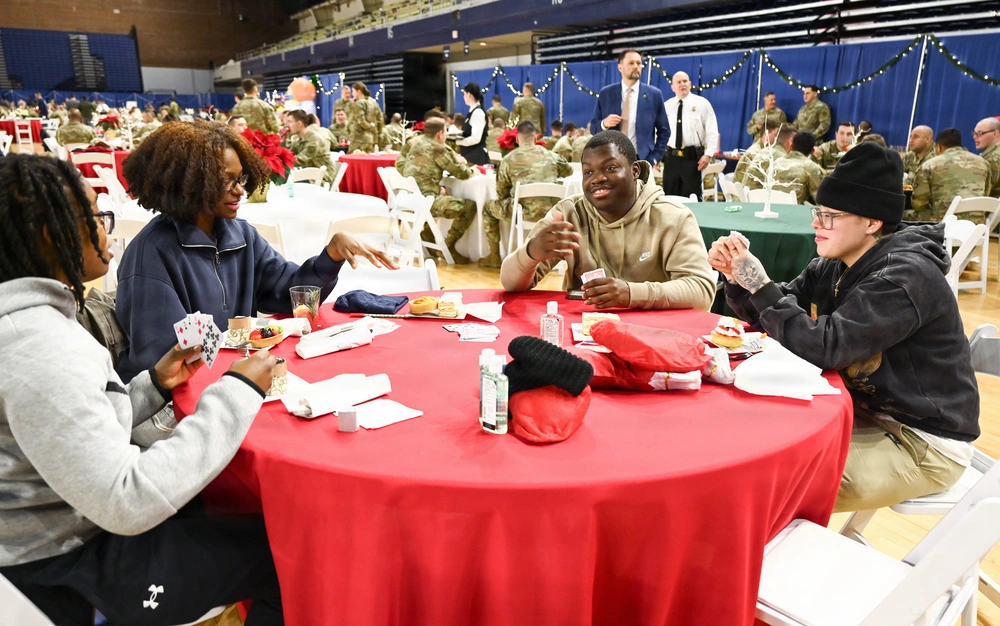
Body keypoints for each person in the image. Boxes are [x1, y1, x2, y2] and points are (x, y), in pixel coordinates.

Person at [0, 154, 286, 625]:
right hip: (67, 568)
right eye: (95, 216)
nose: (107, 230)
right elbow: (127, 500)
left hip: (63, 534)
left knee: (219, 506)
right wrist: (235, 391)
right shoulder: (38, 348)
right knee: (288, 551)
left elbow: (71, 434)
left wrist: (151, 385)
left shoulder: (30, 322)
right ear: (52, 234)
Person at [708, 142, 979, 514]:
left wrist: (759, 284)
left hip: (922, 440)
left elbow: (827, 347)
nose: (816, 223)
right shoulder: (837, 262)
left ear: (872, 221)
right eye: (818, 212)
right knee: (743, 439)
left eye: (831, 215)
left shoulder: (905, 276)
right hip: (856, 410)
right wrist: (738, 280)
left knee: (766, 481)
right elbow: (782, 310)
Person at [114, 121, 395, 383]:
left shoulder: (241, 235)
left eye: (241, 178)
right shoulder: (151, 254)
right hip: (174, 403)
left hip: (234, 379)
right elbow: (166, 359)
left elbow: (288, 295)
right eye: (227, 180)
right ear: (189, 182)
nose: (240, 191)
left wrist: (331, 256)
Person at [500, 130, 715, 310]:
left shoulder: (673, 218)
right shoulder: (569, 214)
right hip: (584, 335)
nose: (597, 178)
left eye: (610, 168)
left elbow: (702, 291)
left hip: (655, 337)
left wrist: (632, 293)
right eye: (588, 172)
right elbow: (509, 283)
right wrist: (530, 254)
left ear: (634, 170)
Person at [480, 121, 573, 269]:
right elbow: (569, 171)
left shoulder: (508, 160)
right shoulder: (552, 156)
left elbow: (501, 194)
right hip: (553, 213)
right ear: (536, 138)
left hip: (523, 213)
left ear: (517, 139)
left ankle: (494, 257)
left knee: (487, 208)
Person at [397, 118, 478, 264]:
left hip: (409, 201)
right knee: (469, 206)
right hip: (425, 203)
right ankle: (448, 246)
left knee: (442, 193)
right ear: (440, 133)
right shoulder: (437, 148)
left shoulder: (417, 144)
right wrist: (473, 171)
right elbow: (461, 173)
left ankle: (428, 236)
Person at [590, 49, 670, 170]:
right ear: (620, 67)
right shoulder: (606, 93)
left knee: (640, 189)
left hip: (642, 159)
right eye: (631, 63)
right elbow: (593, 128)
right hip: (611, 158)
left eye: (638, 63)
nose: (636, 66)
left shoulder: (654, 95)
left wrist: (654, 158)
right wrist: (604, 123)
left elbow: (664, 131)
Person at [910, 128, 989, 222]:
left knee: (905, 214)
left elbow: (919, 204)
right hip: (976, 224)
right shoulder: (983, 163)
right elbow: (986, 192)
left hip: (943, 223)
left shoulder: (929, 165)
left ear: (939, 147)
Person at [663, 71, 719, 199]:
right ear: (673, 87)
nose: (682, 84)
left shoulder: (702, 103)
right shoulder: (667, 106)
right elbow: (659, 132)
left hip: (692, 158)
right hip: (670, 158)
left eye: (685, 81)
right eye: (679, 82)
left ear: (690, 84)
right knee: (669, 199)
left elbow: (712, 130)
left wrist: (708, 154)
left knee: (692, 197)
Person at [285, 110, 336, 186]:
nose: (287, 125)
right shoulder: (298, 139)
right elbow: (288, 154)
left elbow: (299, 160)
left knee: (285, 176)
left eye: (290, 122)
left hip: (323, 178)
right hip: (309, 174)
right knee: (283, 175)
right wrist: (282, 140)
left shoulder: (314, 140)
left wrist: (280, 163)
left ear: (299, 124)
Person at [455, 82, 490, 166]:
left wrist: (458, 142)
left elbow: (476, 138)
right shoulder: (472, 112)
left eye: (464, 94)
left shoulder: (478, 112)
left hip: (476, 157)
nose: (463, 97)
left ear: (469, 94)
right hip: (469, 155)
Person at [348, 82, 383, 153]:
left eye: (353, 91)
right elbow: (380, 119)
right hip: (372, 139)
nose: (352, 94)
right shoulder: (373, 102)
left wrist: (370, 126)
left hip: (358, 140)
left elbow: (361, 121)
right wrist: (376, 132)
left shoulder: (359, 103)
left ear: (358, 91)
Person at [973, 117, 1000, 198]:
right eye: (974, 133)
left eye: (980, 133)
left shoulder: (992, 159)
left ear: (995, 134)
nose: (975, 137)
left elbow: (981, 193)